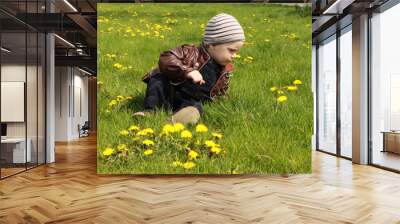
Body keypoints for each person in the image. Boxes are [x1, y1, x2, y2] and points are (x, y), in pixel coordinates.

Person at [134, 13, 245, 125]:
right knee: (158, 81)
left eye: (236, 52)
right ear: (212, 45)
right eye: (231, 50)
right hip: (170, 90)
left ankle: (174, 121)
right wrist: (188, 71)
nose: (234, 55)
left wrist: (222, 99)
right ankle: (150, 112)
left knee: (196, 108)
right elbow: (165, 58)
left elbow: (220, 89)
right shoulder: (190, 52)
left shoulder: (224, 69)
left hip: (190, 99)